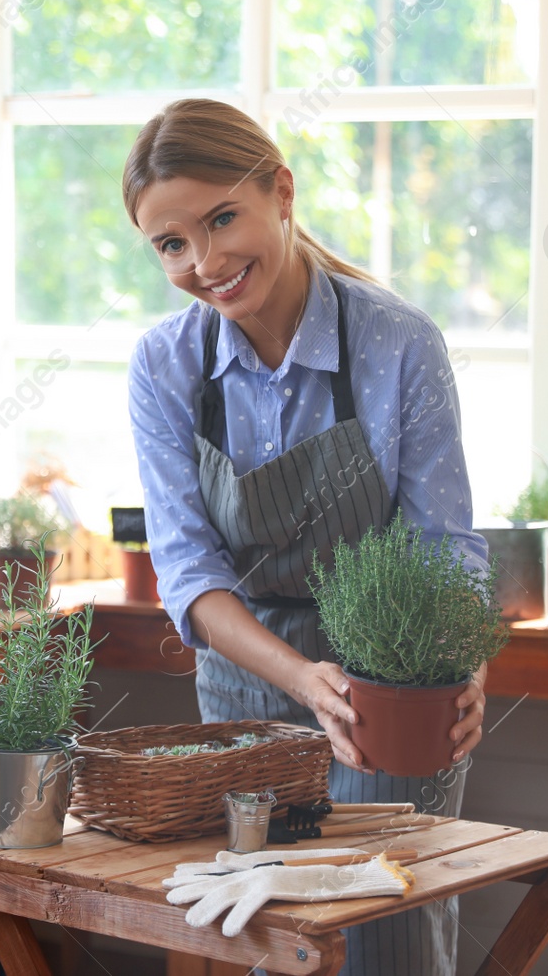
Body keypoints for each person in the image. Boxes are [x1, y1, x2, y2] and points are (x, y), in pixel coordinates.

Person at [124, 98, 491, 975]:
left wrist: (466, 665)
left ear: (280, 193)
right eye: (172, 244)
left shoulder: (397, 343)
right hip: (248, 682)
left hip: (391, 689)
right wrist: (297, 677)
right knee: (267, 931)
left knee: (387, 929)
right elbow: (187, 567)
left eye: (222, 219)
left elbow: (446, 542)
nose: (205, 262)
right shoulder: (164, 366)